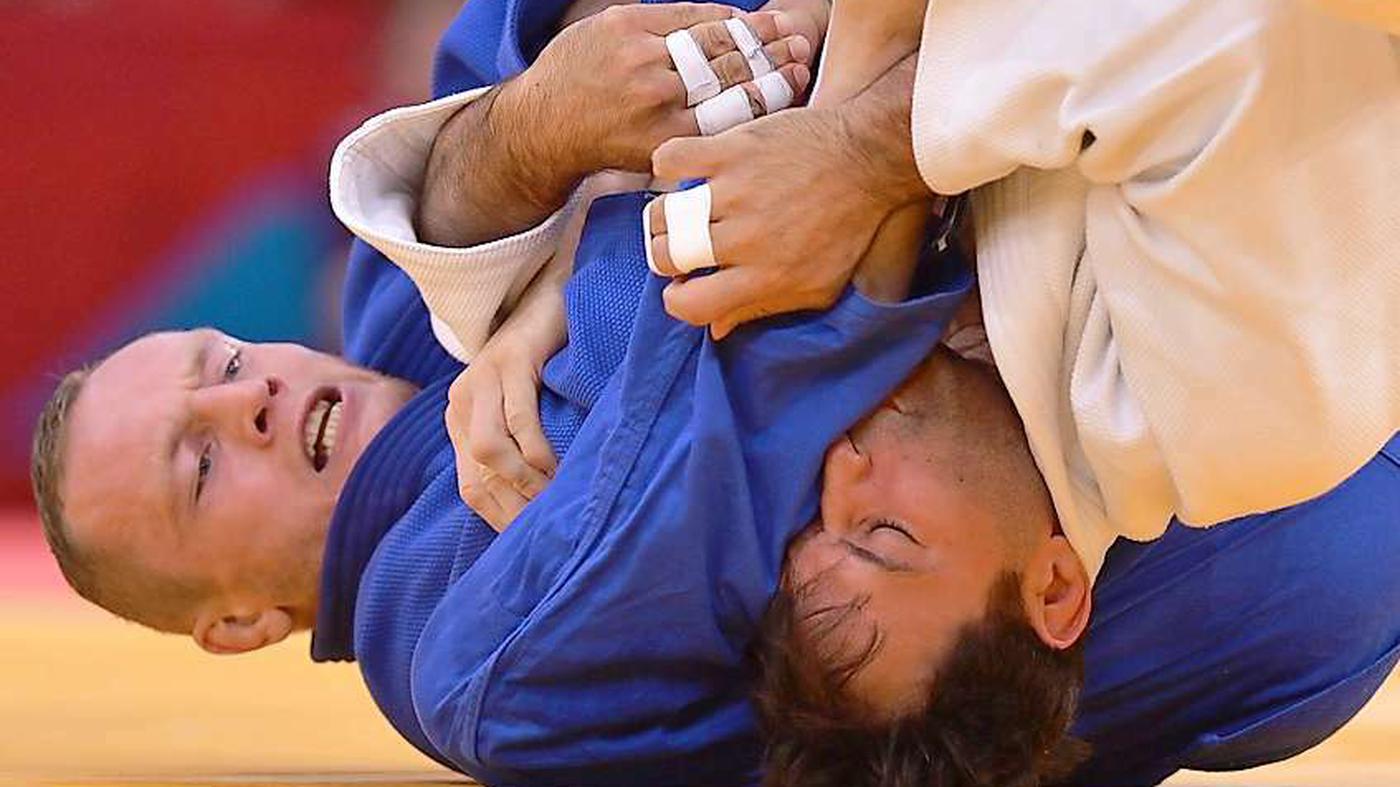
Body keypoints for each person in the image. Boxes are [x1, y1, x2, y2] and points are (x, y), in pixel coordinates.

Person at [32, 2, 1399, 787]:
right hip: (1257, 563)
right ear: (242, 623)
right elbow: (779, 332)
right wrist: (589, 218)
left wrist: (526, 158)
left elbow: (615, 70)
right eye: (197, 466)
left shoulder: (409, 303)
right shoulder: (481, 668)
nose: (253, 401)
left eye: (222, 368)